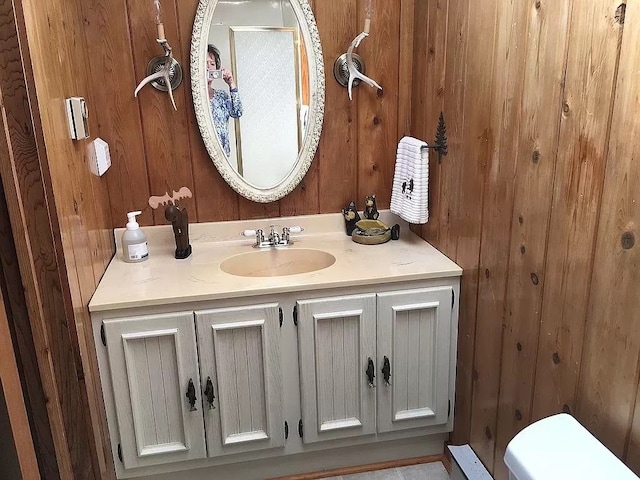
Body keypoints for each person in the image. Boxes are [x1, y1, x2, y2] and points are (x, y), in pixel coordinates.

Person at [207, 44, 243, 156]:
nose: (208, 67)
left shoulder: (221, 96)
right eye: (205, 63)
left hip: (223, 156)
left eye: (212, 64)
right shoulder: (195, 96)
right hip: (202, 154)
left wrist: (231, 83)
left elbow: (237, 112)